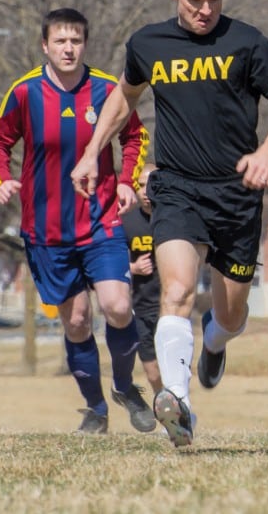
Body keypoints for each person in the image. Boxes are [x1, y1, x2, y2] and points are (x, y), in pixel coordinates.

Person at [71, 0, 268, 448]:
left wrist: (266, 154)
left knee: (231, 314)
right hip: (177, 188)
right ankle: (179, 404)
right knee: (176, 290)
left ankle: (215, 342)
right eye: (195, 0)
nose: (205, 10)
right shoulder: (148, 44)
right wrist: (92, 151)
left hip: (238, 195)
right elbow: (123, 99)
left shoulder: (249, 44)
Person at [0, 8, 157, 435]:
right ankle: (96, 409)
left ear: (85, 44)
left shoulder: (106, 89)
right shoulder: (24, 93)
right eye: (60, 40)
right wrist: (1, 179)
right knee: (77, 320)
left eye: (76, 40)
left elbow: (134, 136)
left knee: (117, 306)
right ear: (45, 45)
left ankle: (123, 386)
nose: (68, 48)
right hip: (47, 231)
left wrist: (129, 182)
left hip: (101, 222)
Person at [121, 162, 163, 395]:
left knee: (175, 367)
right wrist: (133, 268)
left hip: (171, 309)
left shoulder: (174, 220)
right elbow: (111, 268)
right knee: (153, 373)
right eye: (142, 185)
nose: (147, 192)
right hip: (142, 308)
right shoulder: (127, 223)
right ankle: (167, 411)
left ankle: (183, 408)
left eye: (153, 185)